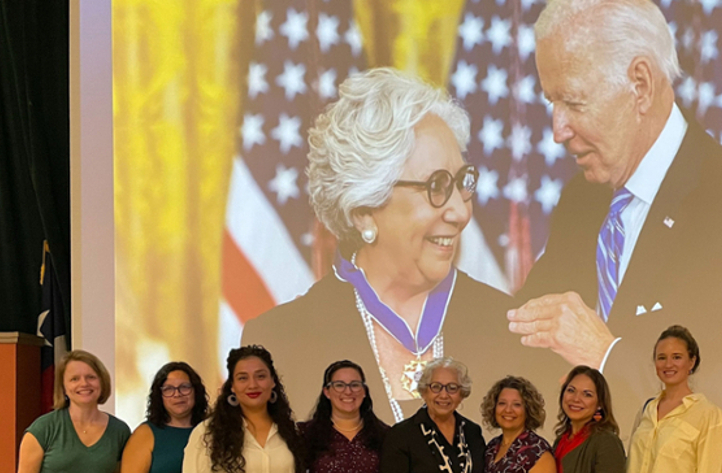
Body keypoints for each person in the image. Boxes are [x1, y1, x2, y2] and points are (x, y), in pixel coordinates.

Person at [510, 0, 722, 421]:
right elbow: (525, 333)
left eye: (574, 103)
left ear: (641, 85)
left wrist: (605, 356)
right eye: (551, 103)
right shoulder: (582, 199)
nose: (558, 130)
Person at [242, 67, 565, 424]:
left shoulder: (511, 334)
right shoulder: (279, 345)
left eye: (462, 182)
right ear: (364, 210)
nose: (459, 210)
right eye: (437, 186)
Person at [182, 345, 303, 473]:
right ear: (232, 386)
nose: (252, 385)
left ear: (273, 381)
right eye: (242, 378)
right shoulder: (206, 433)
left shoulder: (291, 431)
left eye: (260, 376)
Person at [628, 326, 722, 473]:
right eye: (662, 358)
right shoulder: (647, 410)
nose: (668, 364)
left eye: (676, 357)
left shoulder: (709, 415)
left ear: (691, 362)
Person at [18, 350, 132, 473]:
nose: (84, 383)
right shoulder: (42, 429)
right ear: (63, 388)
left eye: (91, 377)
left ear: (102, 381)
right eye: (74, 379)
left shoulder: (119, 431)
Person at [380, 357, 486, 472]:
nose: (444, 395)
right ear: (424, 392)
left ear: (461, 394)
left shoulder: (472, 432)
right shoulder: (401, 435)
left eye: (452, 388)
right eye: (436, 387)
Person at [300, 360, 390, 473]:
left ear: (364, 392)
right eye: (339, 385)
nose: (348, 391)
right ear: (327, 392)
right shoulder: (305, 434)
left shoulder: (385, 435)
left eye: (355, 385)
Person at [122, 361, 210, 473]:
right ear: (159, 396)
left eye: (184, 387)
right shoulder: (145, 434)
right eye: (168, 389)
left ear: (196, 391)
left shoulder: (212, 429)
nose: (177, 394)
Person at [552, 367, 626, 473]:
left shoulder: (606, 442)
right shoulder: (561, 441)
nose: (576, 399)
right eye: (571, 390)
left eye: (587, 394)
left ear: (599, 404)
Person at [480, 376, 555, 473]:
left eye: (517, 404)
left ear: (528, 410)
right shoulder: (492, 447)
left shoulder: (538, 452)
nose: (508, 410)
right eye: (502, 403)